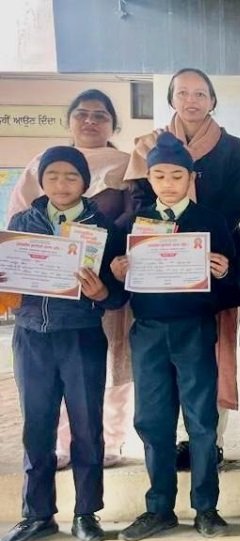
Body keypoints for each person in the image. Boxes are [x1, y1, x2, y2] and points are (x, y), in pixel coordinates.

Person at [0, 147, 127, 541]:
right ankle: (37, 515)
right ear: (41, 181)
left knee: (87, 427)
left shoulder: (103, 228)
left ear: (85, 182)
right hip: (31, 337)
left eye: (72, 176)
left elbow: (118, 296)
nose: (61, 184)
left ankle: (86, 514)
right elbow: (10, 279)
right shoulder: (22, 223)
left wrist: (102, 290)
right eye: (52, 175)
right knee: (36, 427)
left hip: (81, 336)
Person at [112, 133, 237, 541]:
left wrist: (224, 272)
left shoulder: (211, 222)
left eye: (177, 175)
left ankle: (206, 508)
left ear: (191, 178)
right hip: (148, 331)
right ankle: (159, 508)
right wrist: (116, 272)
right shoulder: (132, 225)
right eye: (160, 175)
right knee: (152, 421)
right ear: (149, 178)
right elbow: (113, 291)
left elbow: (235, 283)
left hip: (194, 330)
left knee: (201, 421)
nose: (168, 183)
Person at [125, 68, 240, 468]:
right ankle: (175, 438)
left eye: (200, 93)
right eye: (183, 93)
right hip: (158, 268)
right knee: (164, 360)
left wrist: (197, 249)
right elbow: (138, 203)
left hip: (214, 259)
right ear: (171, 99)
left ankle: (211, 440)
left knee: (214, 352)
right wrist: (163, 250)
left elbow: (233, 207)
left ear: (213, 100)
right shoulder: (149, 145)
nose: (191, 100)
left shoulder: (231, 147)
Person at [7, 89, 136, 470]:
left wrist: (104, 246)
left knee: (113, 359)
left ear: (113, 125)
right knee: (50, 381)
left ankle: (112, 438)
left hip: (103, 275)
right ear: (69, 121)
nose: (90, 121)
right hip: (45, 293)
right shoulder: (40, 164)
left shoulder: (127, 165)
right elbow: (19, 224)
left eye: (101, 115)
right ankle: (62, 446)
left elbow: (136, 215)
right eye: (82, 114)